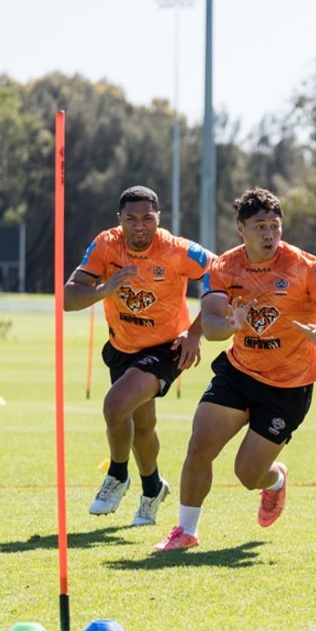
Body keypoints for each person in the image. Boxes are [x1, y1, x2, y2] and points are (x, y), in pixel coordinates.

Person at [153, 187, 316, 550]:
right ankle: (185, 532)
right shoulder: (224, 267)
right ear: (240, 229)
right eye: (260, 226)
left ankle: (275, 481)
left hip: (288, 387)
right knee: (200, 445)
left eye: (275, 226)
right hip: (240, 371)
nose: (269, 234)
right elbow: (213, 324)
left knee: (248, 475)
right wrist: (230, 326)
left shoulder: (304, 266)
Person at [63, 185, 214, 527]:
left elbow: (223, 277)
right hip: (122, 347)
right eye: (131, 219)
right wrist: (103, 289)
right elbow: (68, 298)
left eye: (148, 218)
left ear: (159, 219)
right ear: (120, 221)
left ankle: (117, 475)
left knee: (116, 405)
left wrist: (195, 332)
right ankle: (152, 490)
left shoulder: (177, 250)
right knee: (143, 428)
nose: (140, 225)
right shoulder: (105, 244)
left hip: (166, 348)